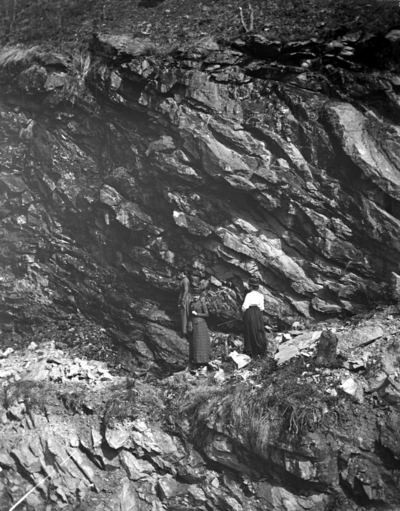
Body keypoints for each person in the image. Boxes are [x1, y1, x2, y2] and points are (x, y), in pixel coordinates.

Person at [241, 277, 267, 358]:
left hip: (249, 312)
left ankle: (249, 350)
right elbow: (262, 308)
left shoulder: (248, 295)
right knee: (258, 330)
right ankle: (259, 349)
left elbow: (245, 306)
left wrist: (243, 313)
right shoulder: (261, 295)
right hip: (258, 313)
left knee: (249, 330)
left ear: (251, 286)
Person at [189, 287, 211, 367]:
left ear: (199, 296)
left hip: (201, 324)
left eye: (197, 295)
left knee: (202, 342)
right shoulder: (191, 303)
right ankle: (197, 361)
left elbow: (207, 314)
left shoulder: (202, 303)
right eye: (194, 295)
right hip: (194, 324)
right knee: (196, 343)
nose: (195, 297)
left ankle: (205, 360)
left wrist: (197, 314)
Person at [178, 269, 192, 338]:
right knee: (182, 314)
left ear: (183, 273)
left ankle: (185, 332)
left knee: (184, 315)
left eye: (180, 272)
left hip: (185, 298)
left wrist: (183, 300)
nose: (179, 274)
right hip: (182, 297)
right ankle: (184, 331)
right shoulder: (183, 279)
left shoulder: (185, 280)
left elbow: (186, 291)